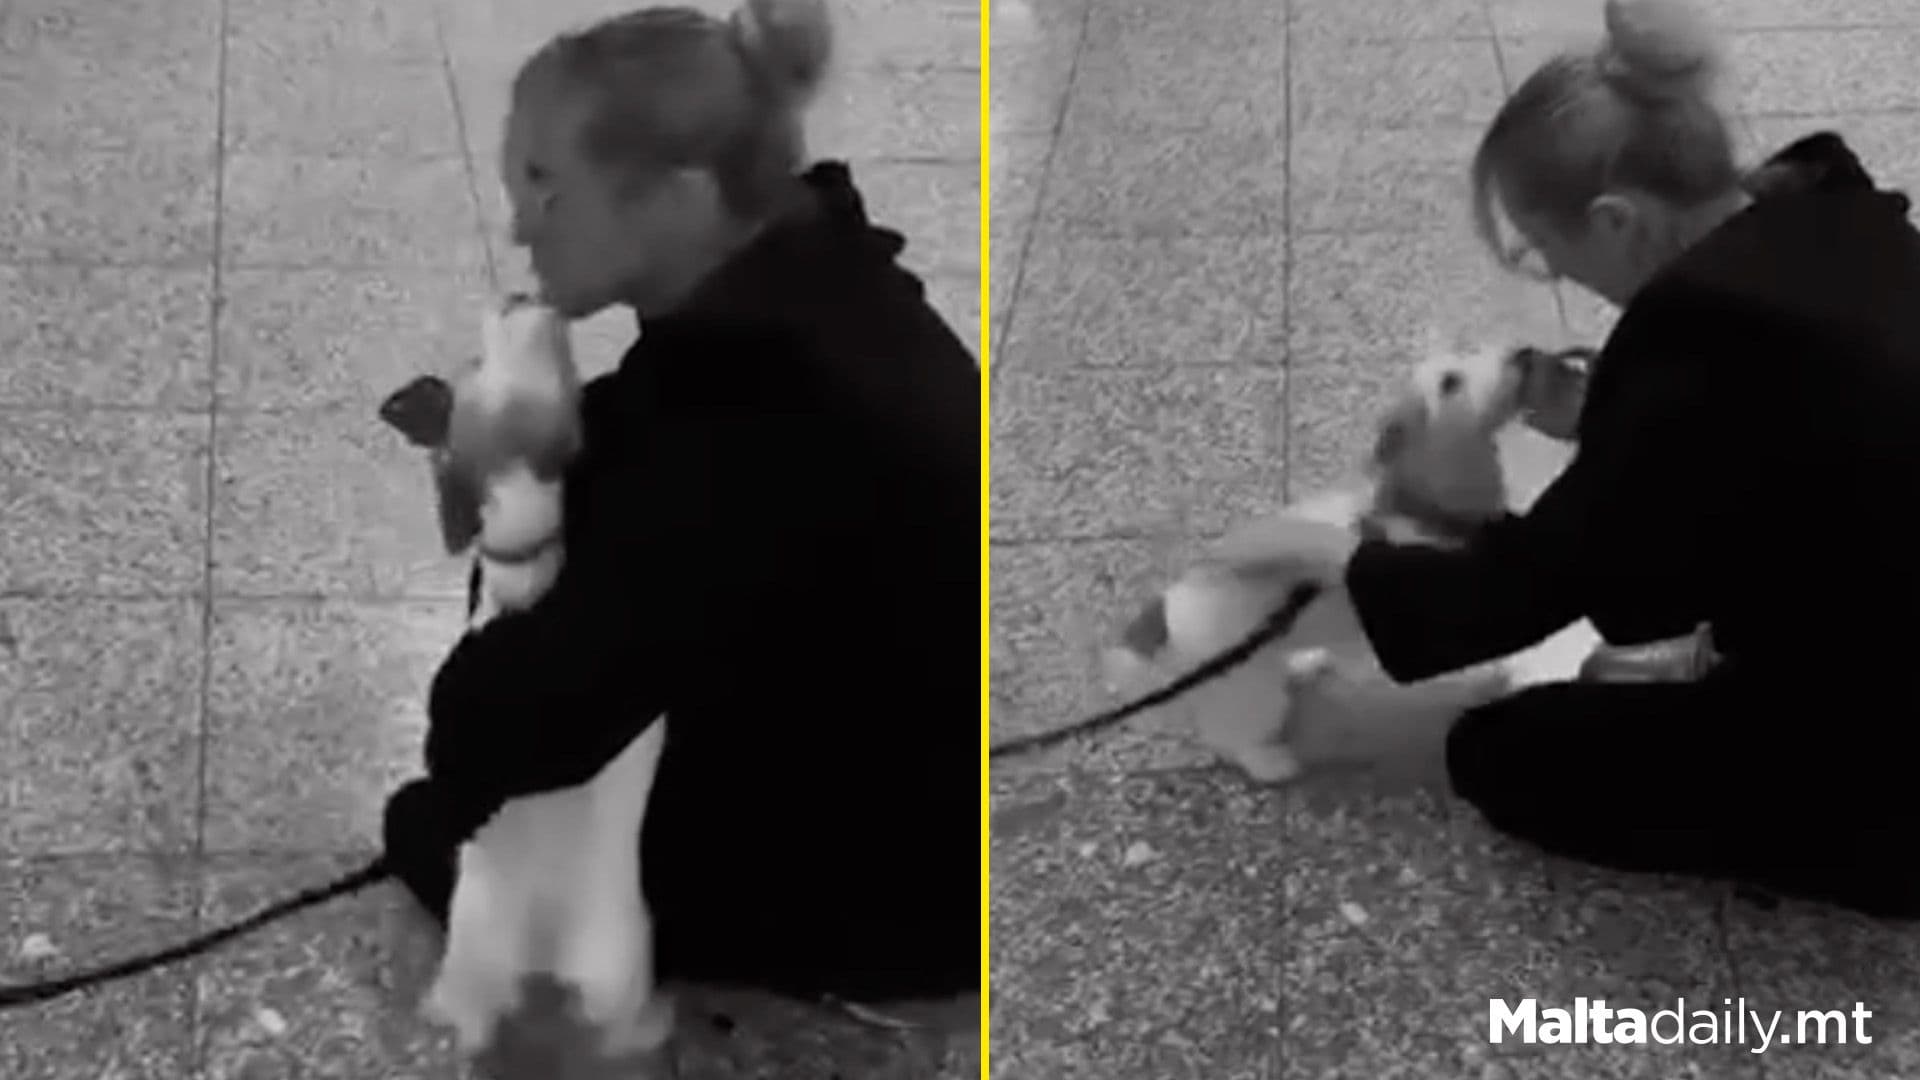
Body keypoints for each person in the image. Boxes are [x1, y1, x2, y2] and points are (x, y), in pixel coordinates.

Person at [1239, 0, 1920, 918]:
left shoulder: (1699, 343)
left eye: (1548, 255)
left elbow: (1520, 592)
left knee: (1520, 748)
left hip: (1893, 776)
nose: (1562, 280)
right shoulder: (1837, 224)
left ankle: (1366, 732)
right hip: (1879, 619)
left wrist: (1384, 536)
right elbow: (1762, 450)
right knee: (1635, 667)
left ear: (1615, 221)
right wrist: (1616, 417)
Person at [379, 0, 979, 1026]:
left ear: (679, 196)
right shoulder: (830, 294)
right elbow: (662, 468)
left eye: (547, 184)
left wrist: (521, 495)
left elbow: (491, 742)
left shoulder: (754, 422)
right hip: (905, 799)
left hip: (889, 898)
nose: (522, 224)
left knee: (438, 831)